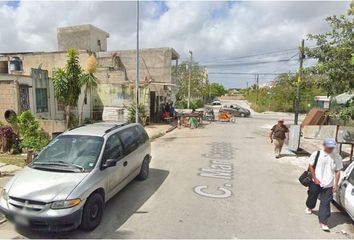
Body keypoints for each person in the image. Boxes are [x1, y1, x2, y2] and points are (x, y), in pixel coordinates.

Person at [305, 138, 343, 232]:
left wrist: (336, 184)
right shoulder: (317, 154)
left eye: (332, 147)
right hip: (316, 181)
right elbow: (311, 166)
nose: (330, 148)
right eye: (329, 146)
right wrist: (315, 177)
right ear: (324, 145)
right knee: (312, 197)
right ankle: (310, 207)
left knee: (326, 203)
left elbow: (338, 171)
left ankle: (323, 222)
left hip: (328, 184)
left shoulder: (337, 157)